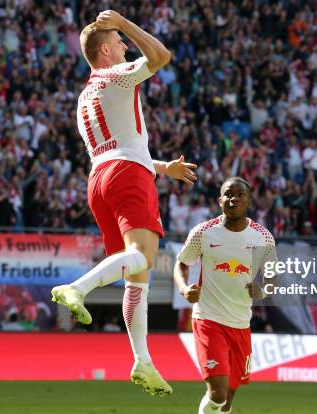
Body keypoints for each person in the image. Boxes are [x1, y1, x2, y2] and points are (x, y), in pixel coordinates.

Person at [50, 10, 197, 396]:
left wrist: (163, 167)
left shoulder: (85, 97)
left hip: (100, 179)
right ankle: (78, 288)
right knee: (145, 257)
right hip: (127, 176)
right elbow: (161, 56)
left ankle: (142, 361)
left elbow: (117, 144)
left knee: (137, 279)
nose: (125, 45)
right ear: (104, 50)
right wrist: (126, 22)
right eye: (119, 42)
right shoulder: (114, 75)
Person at [173, 177, 277, 414]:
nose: (234, 198)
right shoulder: (203, 232)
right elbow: (181, 264)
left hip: (241, 324)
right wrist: (183, 288)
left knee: (227, 401)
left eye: (240, 194)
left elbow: (272, 278)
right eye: (228, 194)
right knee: (217, 393)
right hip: (208, 319)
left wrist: (263, 291)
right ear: (220, 201)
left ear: (249, 200)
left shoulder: (263, 237)